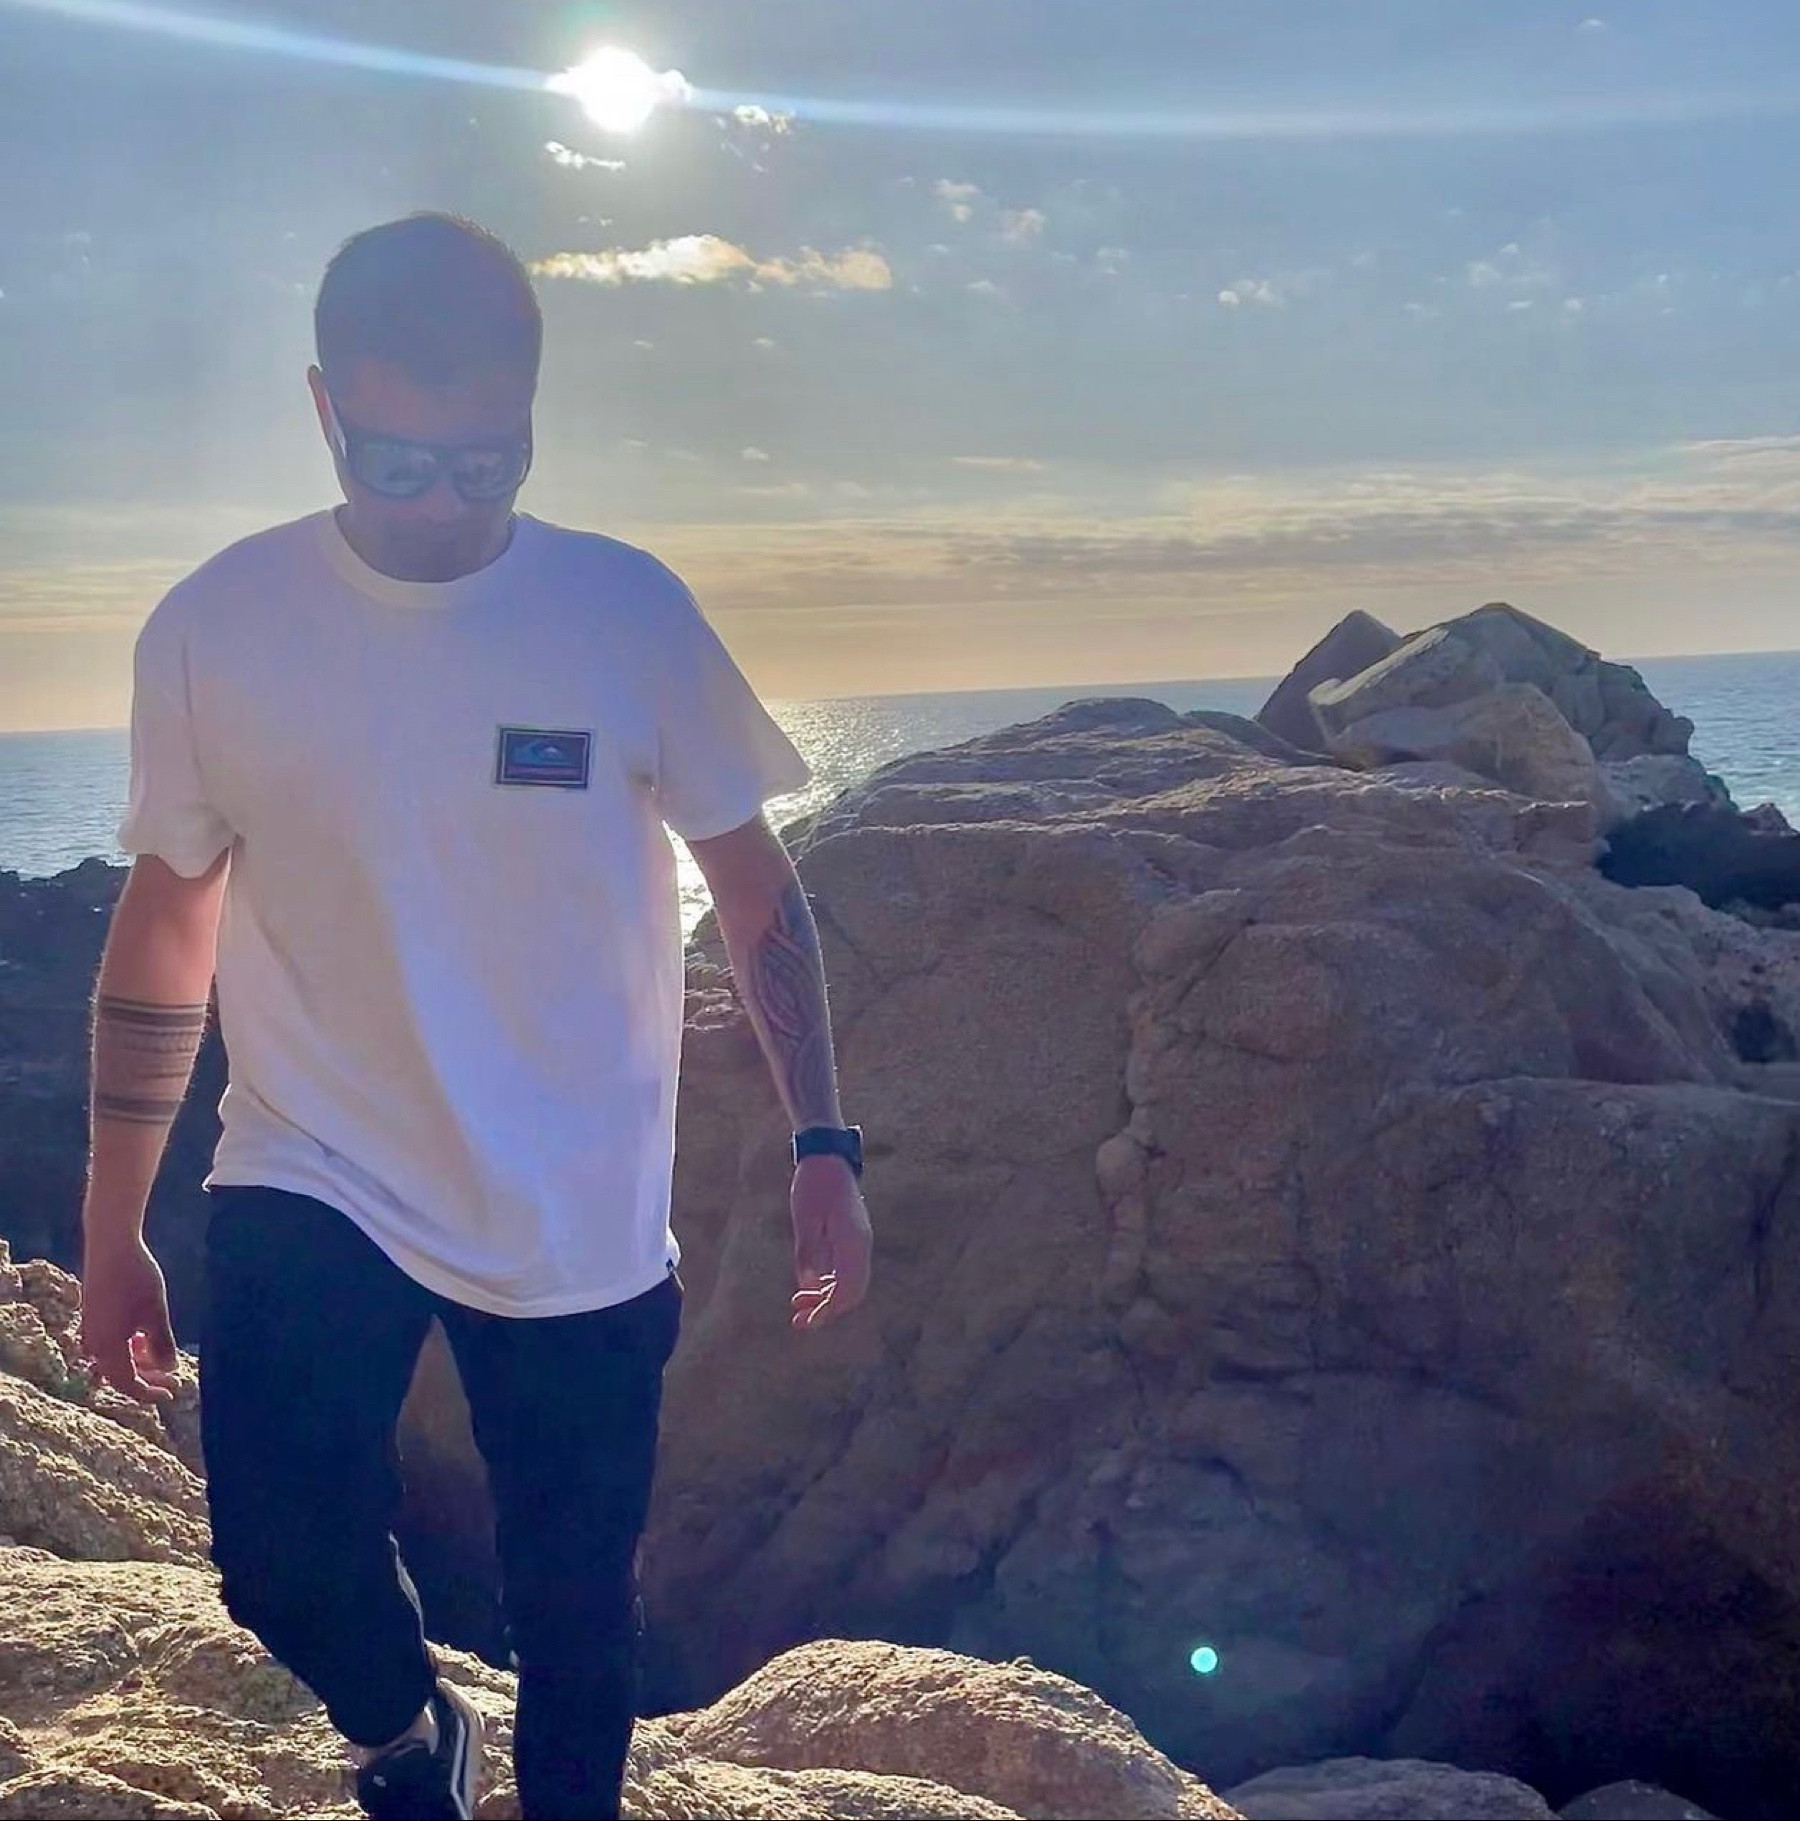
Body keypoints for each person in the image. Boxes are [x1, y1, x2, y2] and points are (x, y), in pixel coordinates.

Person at [76, 211, 874, 1821]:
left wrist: (824, 1141)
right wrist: (112, 1223)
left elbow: (756, 886)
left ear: (531, 417)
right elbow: (167, 925)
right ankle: (405, 1731)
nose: (444, 504)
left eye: (486, 462)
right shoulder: (217, 628)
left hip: (575, 1196)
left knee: (576, 1611)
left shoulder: (623, 612)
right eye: (397, 463)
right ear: (322, 411)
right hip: (314, 1159)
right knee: (275, 1556)